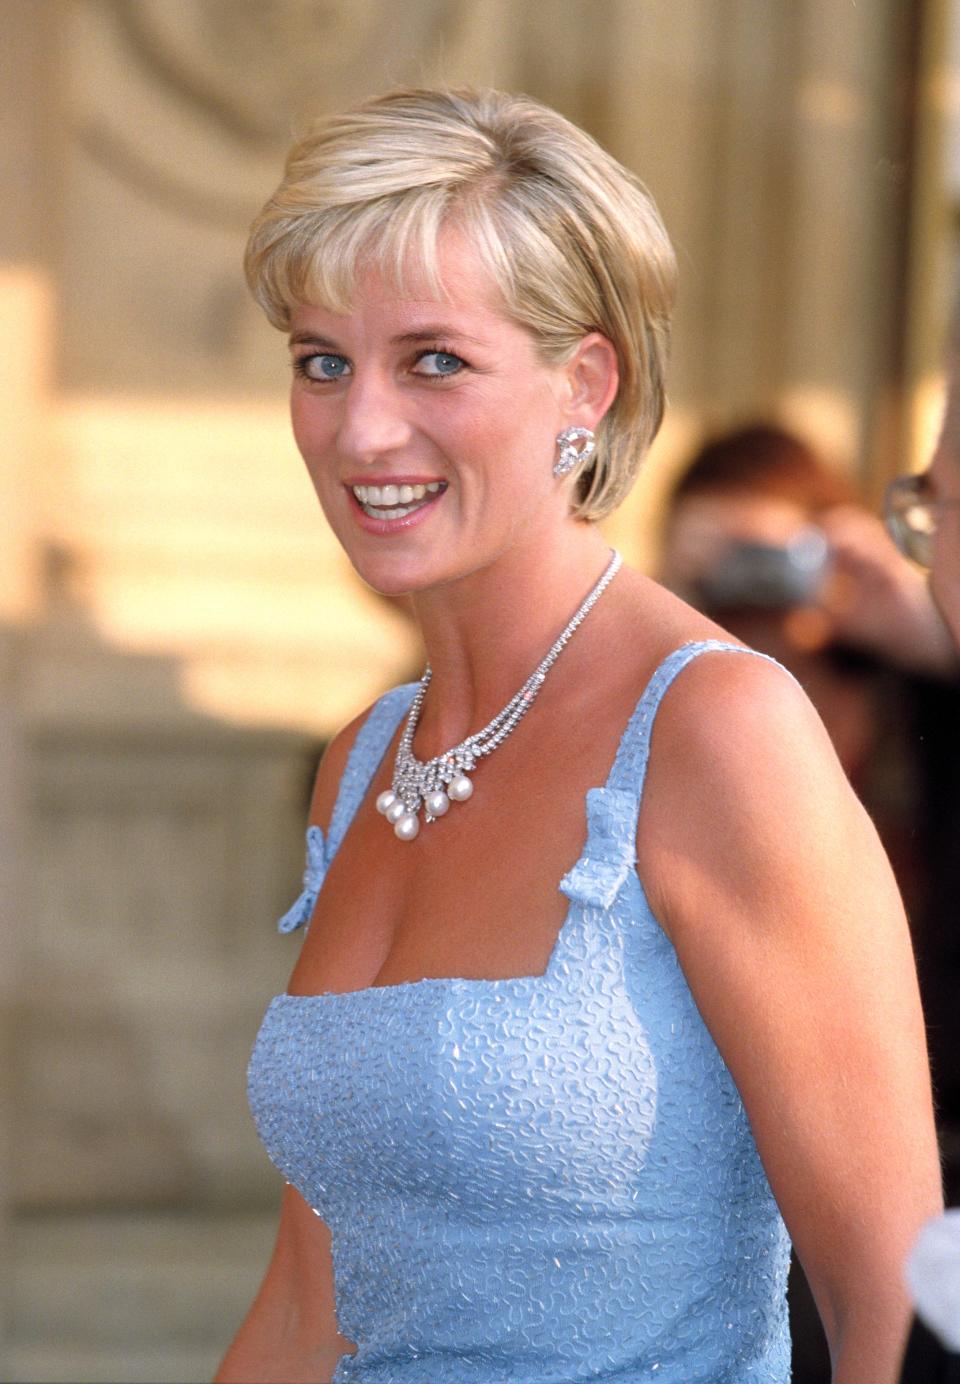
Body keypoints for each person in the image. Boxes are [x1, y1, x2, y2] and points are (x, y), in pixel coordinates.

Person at [216, 87, 941, 1384]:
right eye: (323, 360)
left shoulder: (720, 729)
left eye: (433, 360)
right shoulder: (366, 759)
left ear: (584, 385)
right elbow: (303, 1308)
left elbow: (895, 1306)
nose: (360, 428)